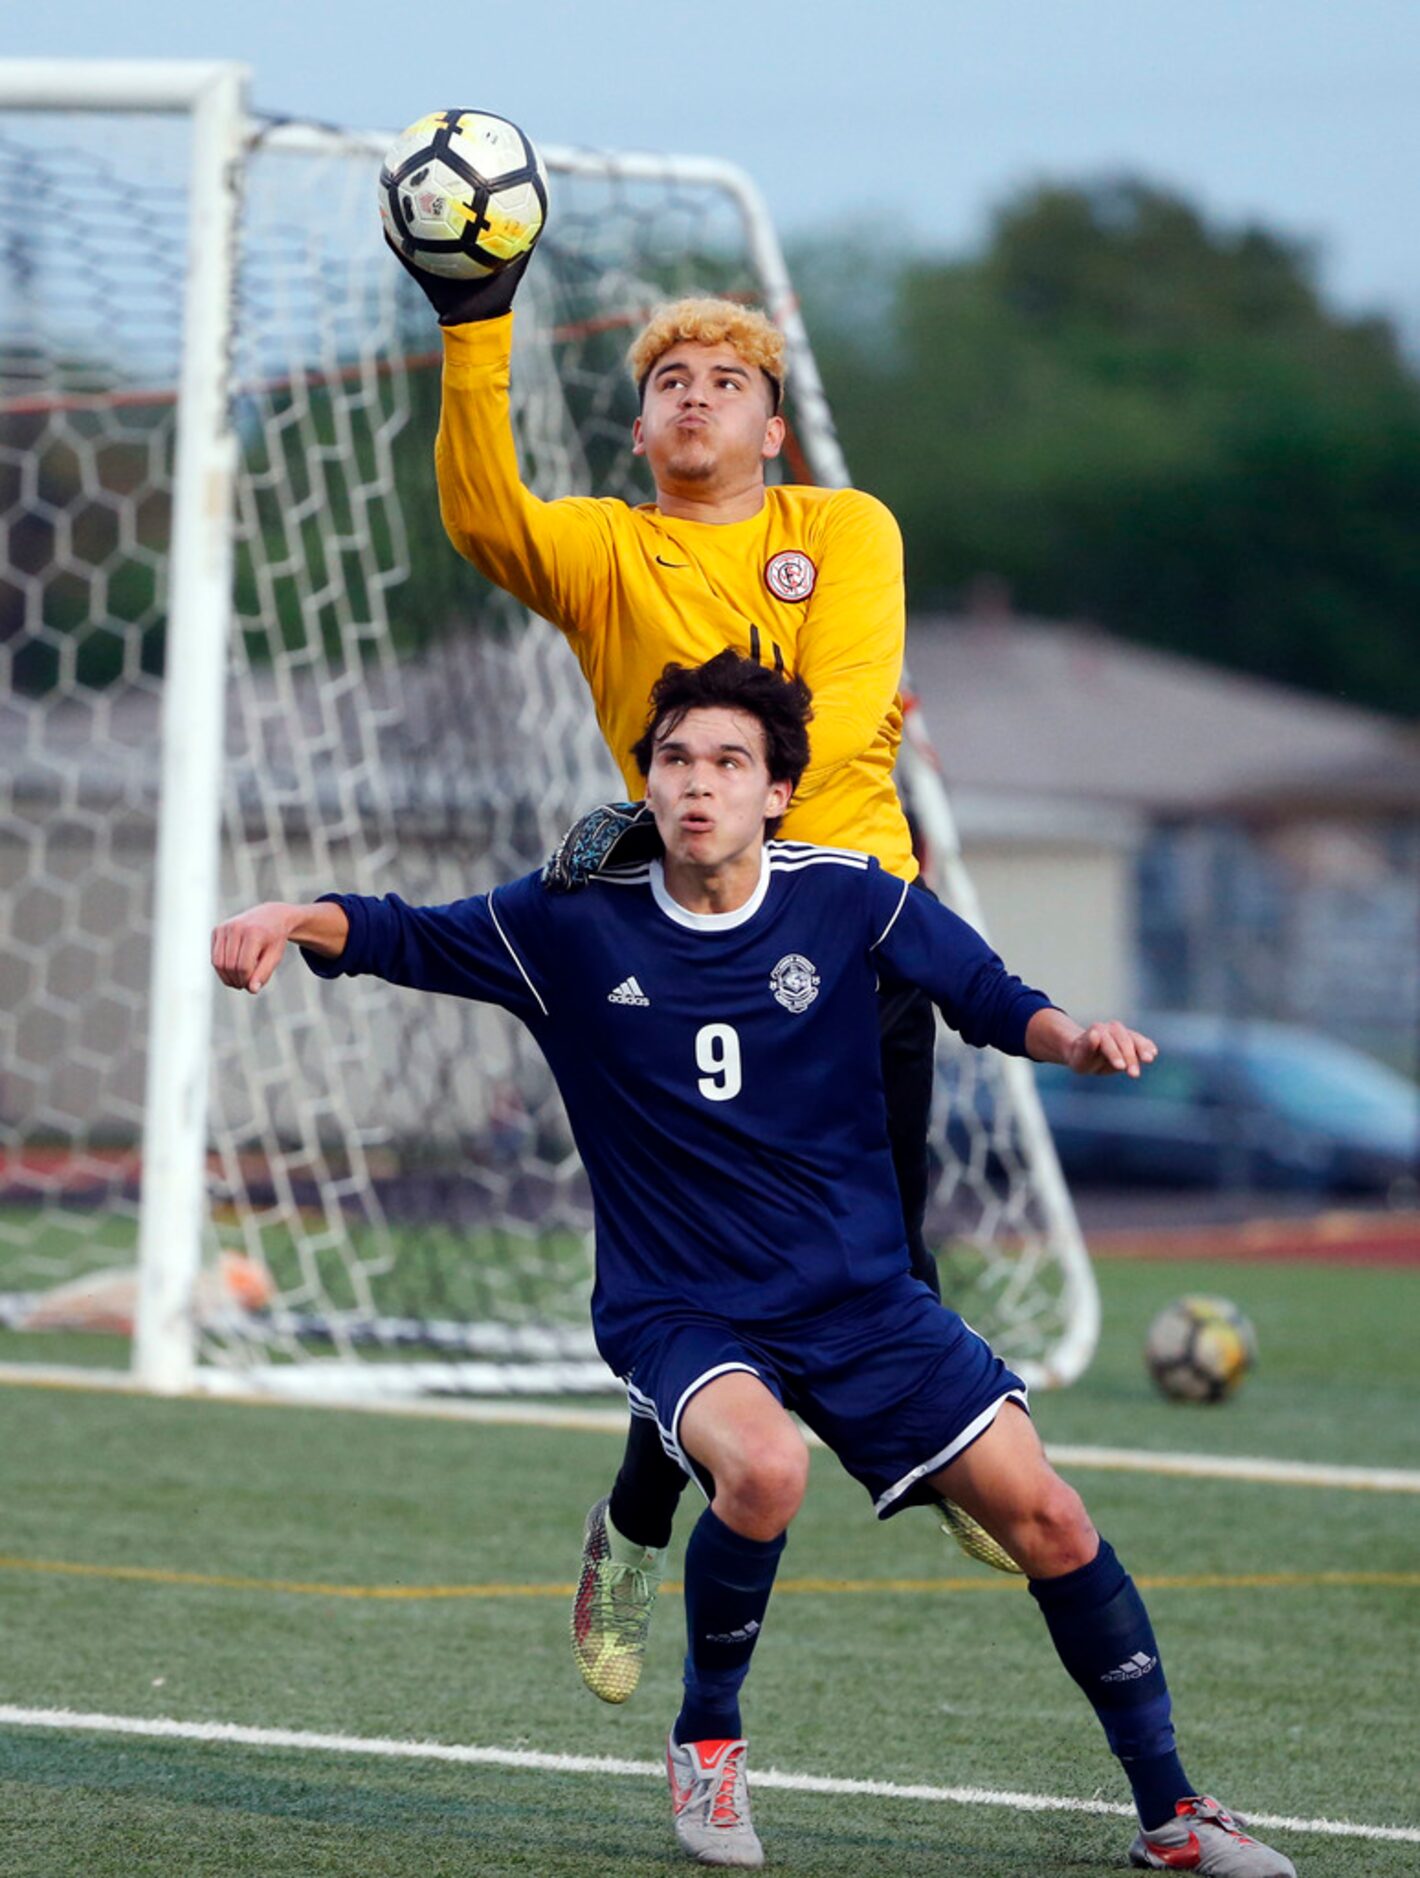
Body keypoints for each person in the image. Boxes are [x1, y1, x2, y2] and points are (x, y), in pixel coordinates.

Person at [212, 651, 1296, 1878]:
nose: (696, 784)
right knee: (768, 1469)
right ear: (647, 780)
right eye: (674, 759)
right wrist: (285, 915)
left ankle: (1172, 1818)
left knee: (1048, 1515)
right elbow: (402, 933)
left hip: (858, 1296)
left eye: (728, 763)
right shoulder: (565, 922)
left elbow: (984, 993)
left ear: (777, 791)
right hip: (679, 1305)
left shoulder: (849, 900)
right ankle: (708, 1747)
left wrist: (1073, 1043)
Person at [391, 222, 990, 1702]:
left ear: (772, 426)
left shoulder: (849, 531)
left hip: (853, 927)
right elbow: (480, 520)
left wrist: (707, 786)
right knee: (709, 1289)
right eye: (670, 378)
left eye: (728, 377)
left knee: (880, 1263)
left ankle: (960, 1452)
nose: (696, 394)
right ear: (643, 422)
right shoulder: (603, 548)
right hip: (683, 946)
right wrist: (477, 320)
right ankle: (636, 1529)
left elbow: (845, 718)